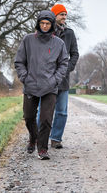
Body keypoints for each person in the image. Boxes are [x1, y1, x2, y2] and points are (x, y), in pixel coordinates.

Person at [14, 10, 69, 160]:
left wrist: (55, 80)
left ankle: (42, 149)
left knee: (46, 119)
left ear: (52, 25)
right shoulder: (28, 40)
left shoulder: (59, 43)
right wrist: (25, 77)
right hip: (31, 84)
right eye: (42, 23)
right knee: (29, 116)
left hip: (50, 87)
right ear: (38, 24)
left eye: (47, 23)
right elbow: (19, 61)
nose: (44, 26)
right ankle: (33, 137)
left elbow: (64, 63)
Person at [36, 4, 79, 149]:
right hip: (46, 78)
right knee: (44, 111)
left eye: (65, 15)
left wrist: (67, 68)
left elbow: (74, 54)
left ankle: (56, 138)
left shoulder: (70, 33)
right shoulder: (45, 32)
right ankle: (39, 137)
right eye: (61, 14)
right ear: (54, 16)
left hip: (63, 78)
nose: (64, 17)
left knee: (61, 111)